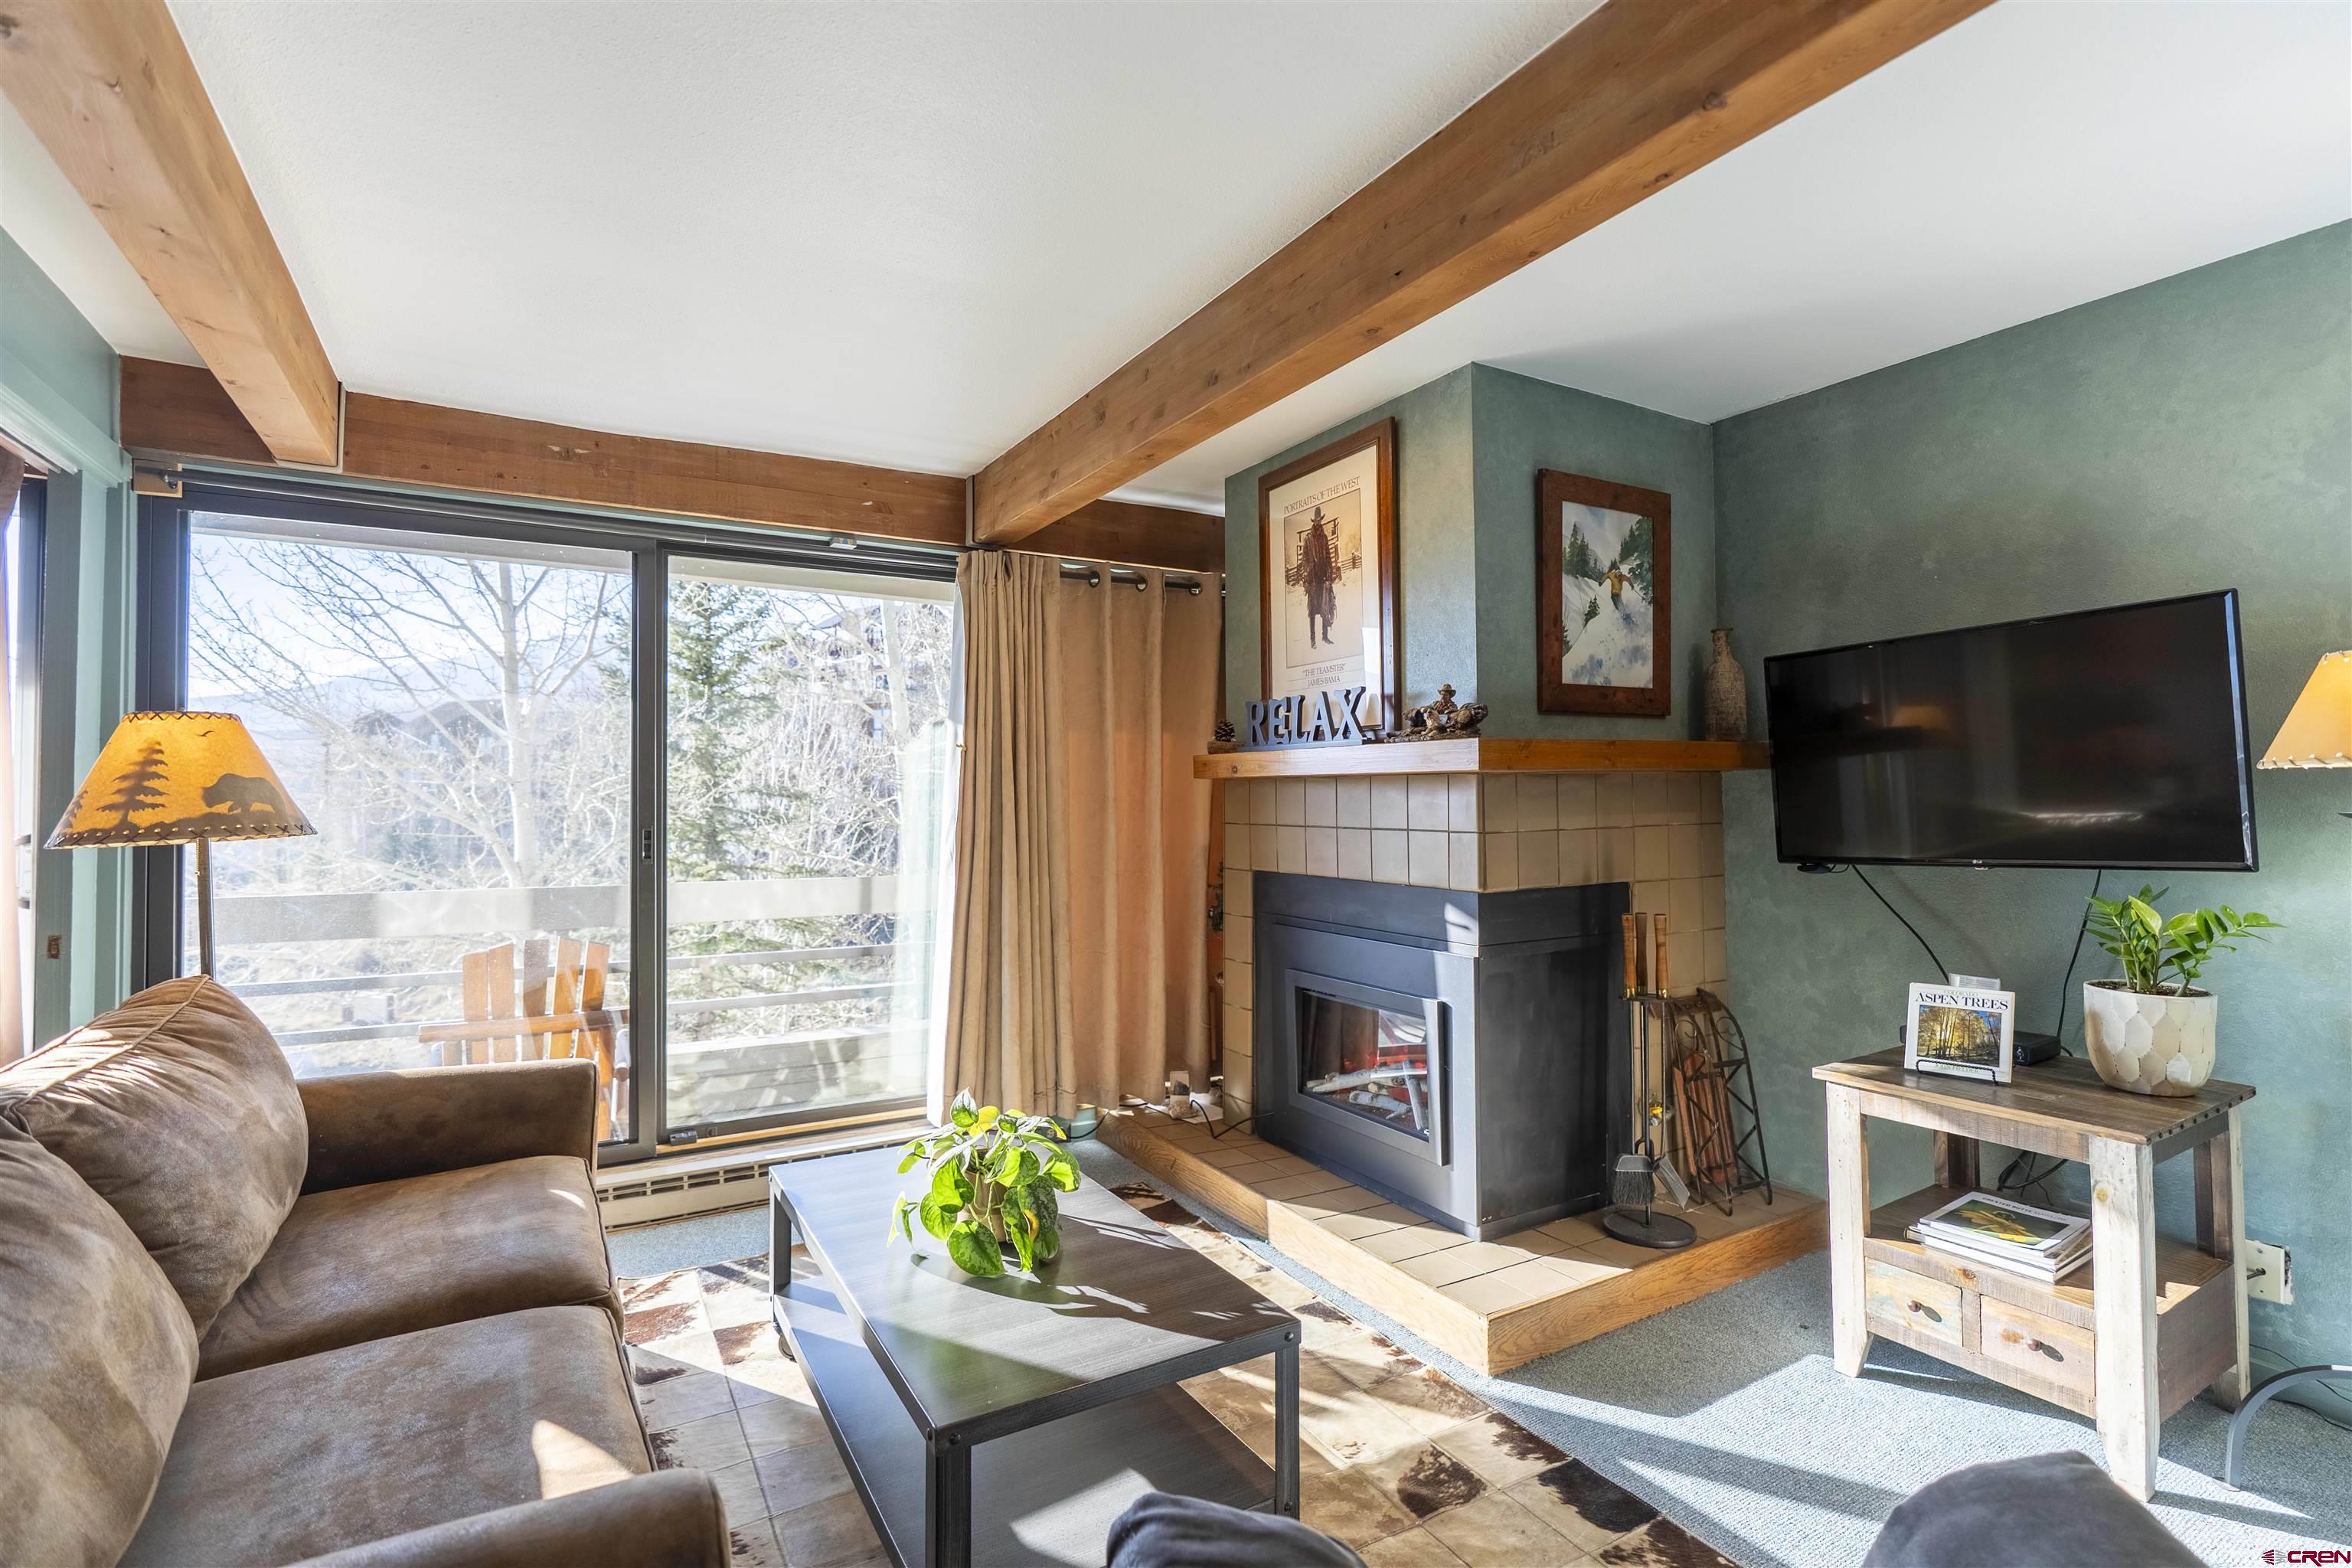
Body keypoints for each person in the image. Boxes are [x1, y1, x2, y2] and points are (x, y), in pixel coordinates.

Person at [1297, 508, 1339, 648]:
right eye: (1316, 520)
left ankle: (1325, 636)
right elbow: (1304, 559)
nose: (1317, 522)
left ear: (1321, 520)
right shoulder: (1308, 539)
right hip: (1313, 580)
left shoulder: (1325, 537)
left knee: (1325, 607)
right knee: (1313, 610)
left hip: (1323, 579)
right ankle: (1312, 639)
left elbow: (1328, 557)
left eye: (1319, 520)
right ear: (1313, 521)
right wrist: (1309, 569)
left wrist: (1329, 576)